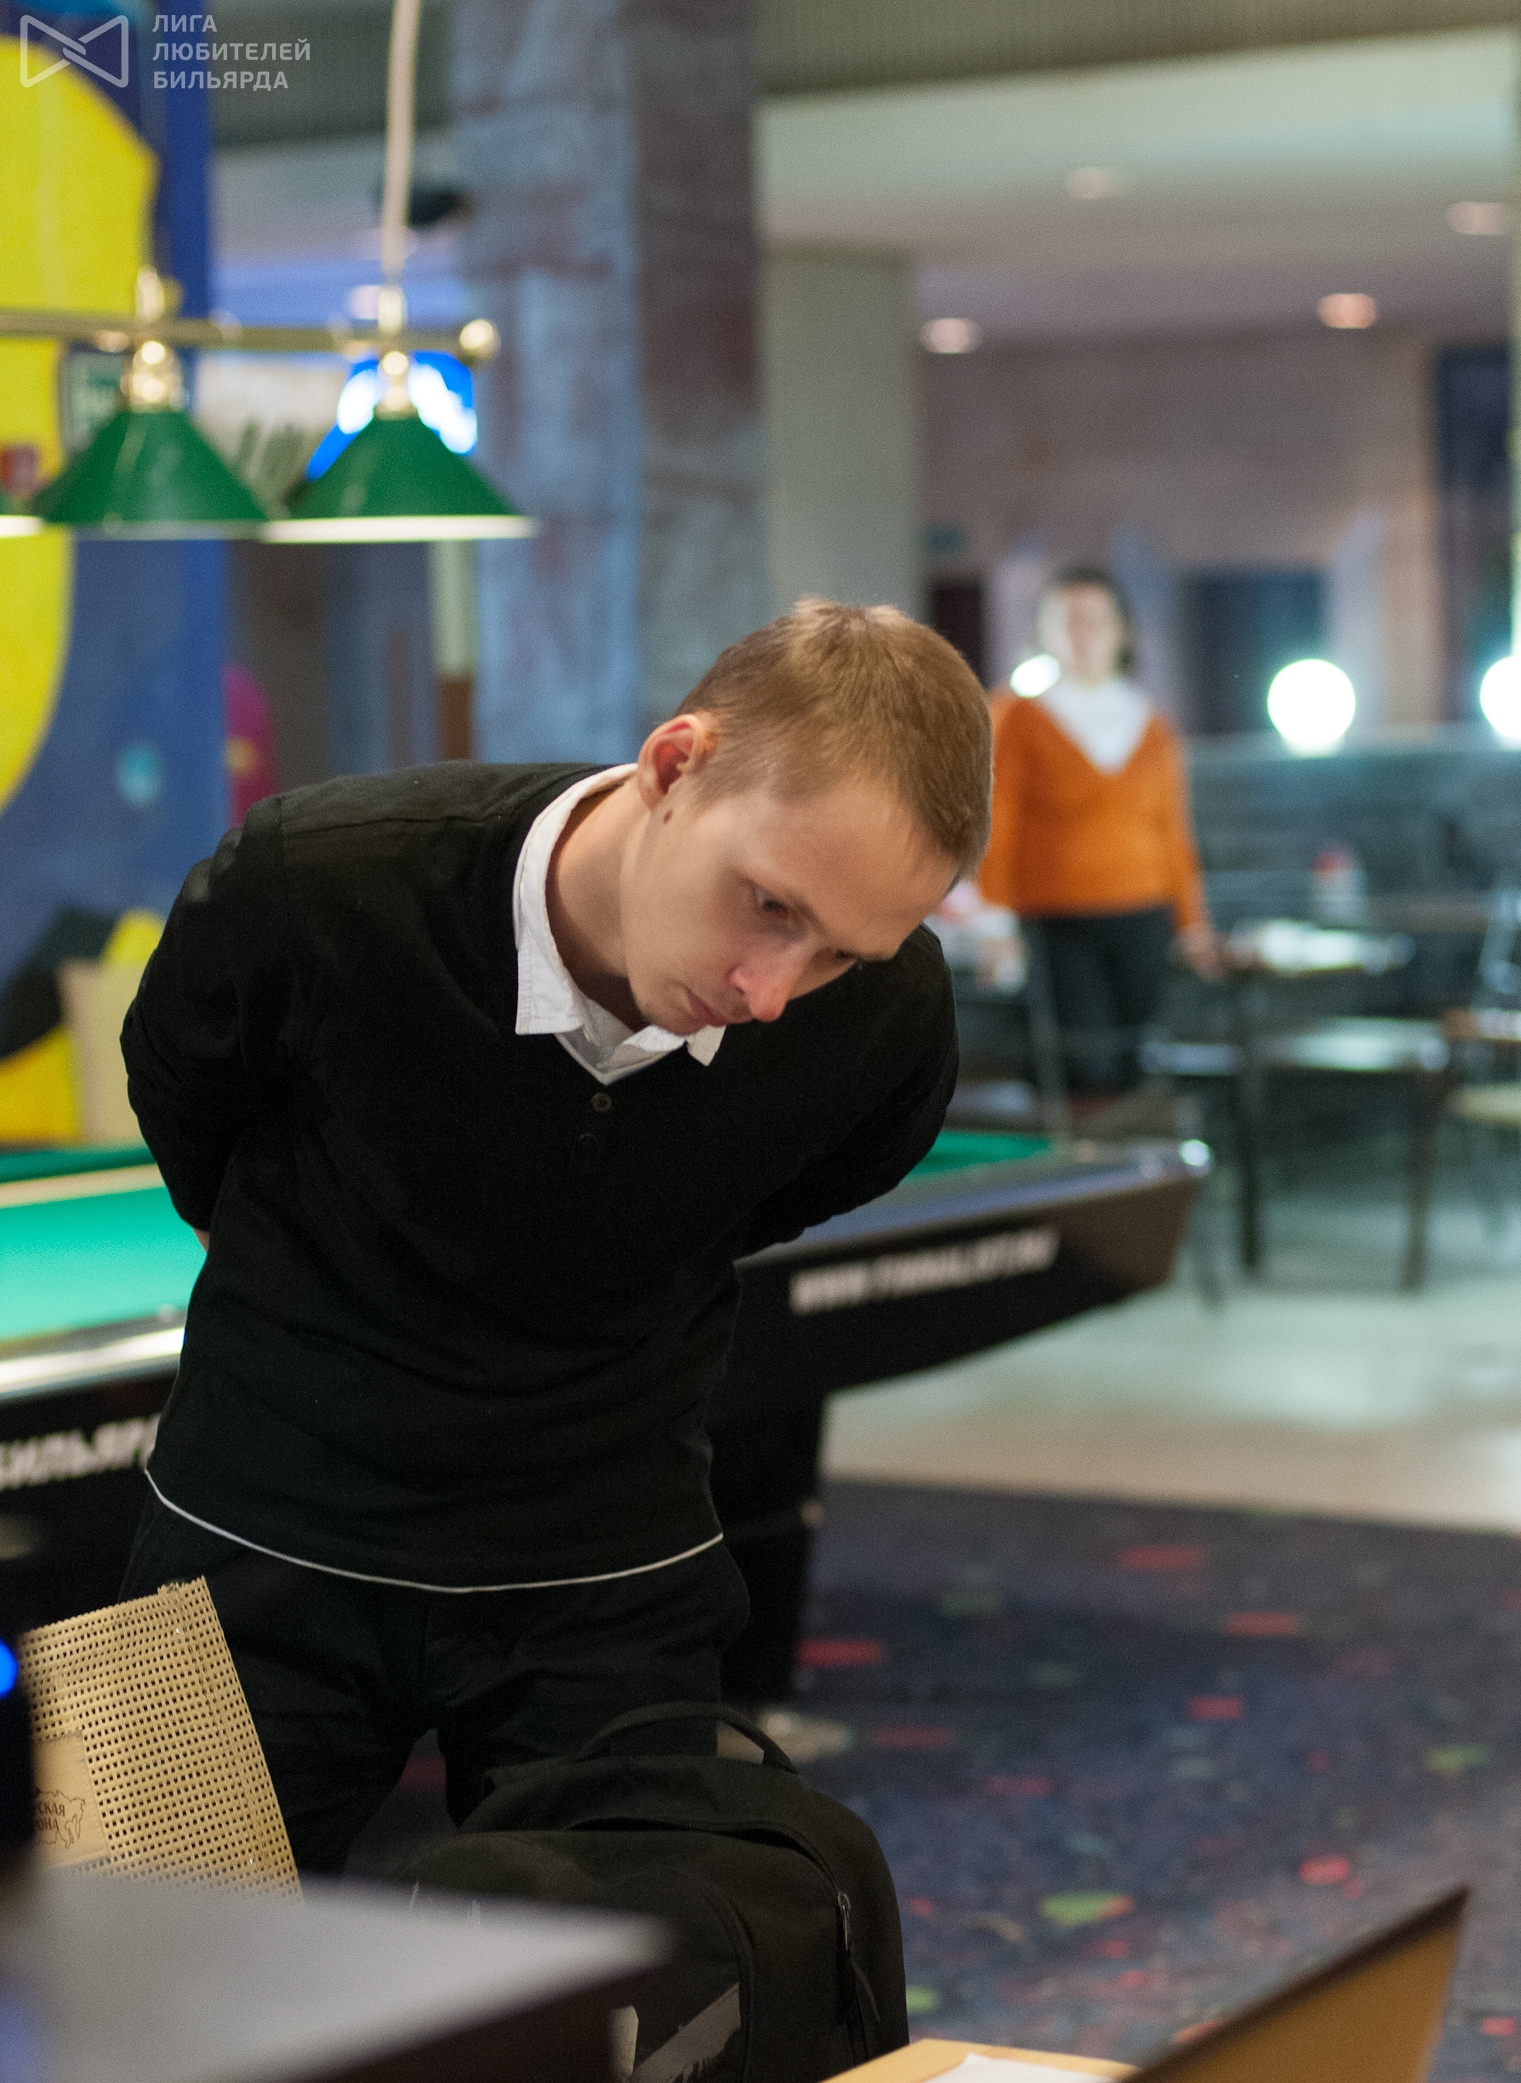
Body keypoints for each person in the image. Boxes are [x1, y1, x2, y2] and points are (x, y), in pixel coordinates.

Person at [119, 600, 991, 1873]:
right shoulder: (314, 876)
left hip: (616, 1559)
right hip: (243, 1522)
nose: (770, 993)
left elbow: (823, 1173)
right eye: (765, 903)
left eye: (837, 955)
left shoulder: (890, 1015)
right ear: (675, 766)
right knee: (128, 1956)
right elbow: (182, 1093)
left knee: (647, 1984)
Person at [980, 568, 1219, 1107]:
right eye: (1066, 622)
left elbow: (1172, 829)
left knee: (1136, 1059)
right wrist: (993, 918)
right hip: (1056, 919)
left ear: (1122, 631)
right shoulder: (1017, 716)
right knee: (1081, 1063)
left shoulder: (1150, 722)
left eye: (1094, 621)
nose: (1081, 636)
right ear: (1044, 633)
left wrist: (1192, 921)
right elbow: (998, 820)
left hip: (1144, 912)